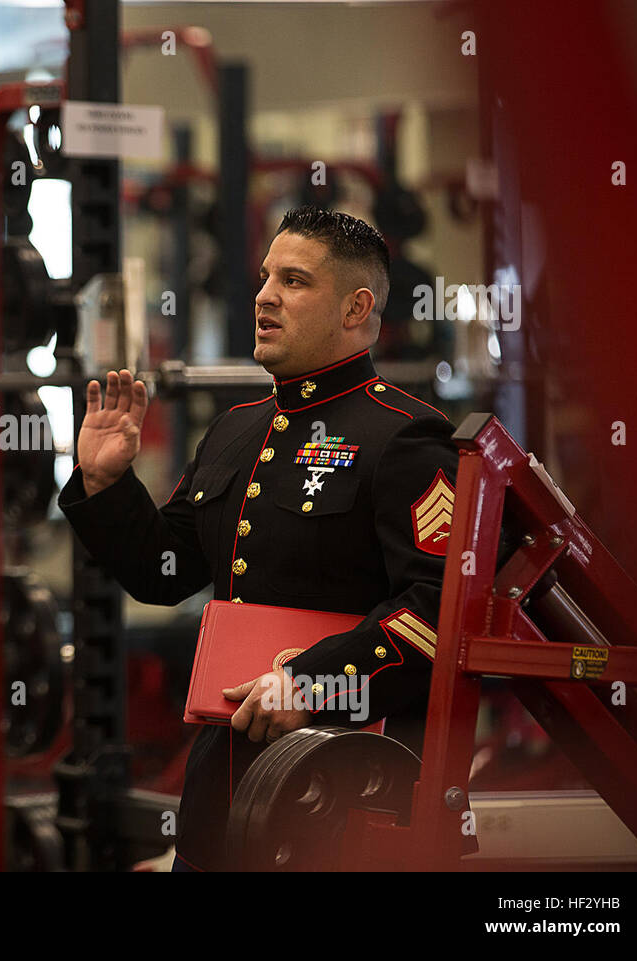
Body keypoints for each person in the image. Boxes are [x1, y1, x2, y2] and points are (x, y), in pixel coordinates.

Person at [59, 206, 459, 871]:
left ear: (356, 307)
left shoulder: (405, 435)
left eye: (295, 281)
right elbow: (165, 571)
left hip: (343, 790)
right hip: (223, 794)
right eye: (267, 275)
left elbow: (438, 610)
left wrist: (311, 684)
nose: (265, 295)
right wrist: (107, 483)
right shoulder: (237, 429)